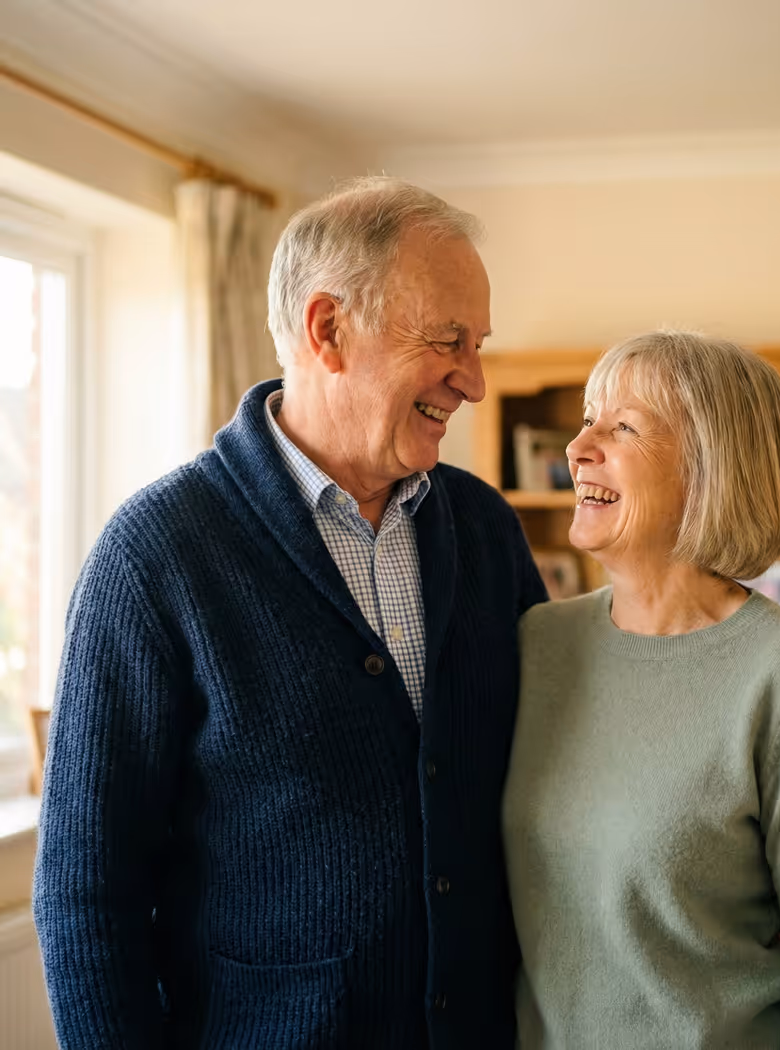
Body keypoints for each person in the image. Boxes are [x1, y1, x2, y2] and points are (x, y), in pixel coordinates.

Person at [34, 177, 546, 1049]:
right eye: (448, 341)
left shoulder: (485, 530)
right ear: (328, 330)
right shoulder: (157, 555)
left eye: (479, 343)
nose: (476, 380)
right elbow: (89, 894)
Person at [502, 330, 780, 1049]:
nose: (579, 447)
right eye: (588, 418)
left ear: (711, 470)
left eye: (623, 427)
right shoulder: (536, 646)